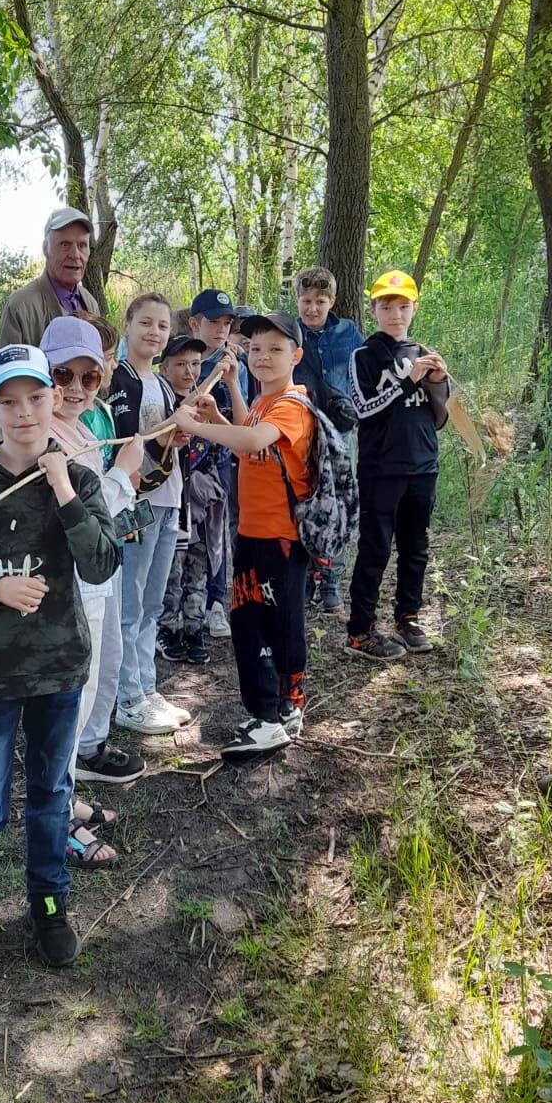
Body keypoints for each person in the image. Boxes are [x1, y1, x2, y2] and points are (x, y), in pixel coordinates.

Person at [0, 344, 119, 989]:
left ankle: (48, 906)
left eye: (36, 397)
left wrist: (63, 486)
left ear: (53, 399)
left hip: (59, 670)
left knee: (50, 796)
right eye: (8, 401)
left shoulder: (81, 479)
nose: (24, 412)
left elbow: (99, 564)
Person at [174, 312, 314, 759]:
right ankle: (285, 707)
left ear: (296, 355)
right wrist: (225, 400)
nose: (263, 357)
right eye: (255, 349)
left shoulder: (292, 405)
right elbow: (246, 434)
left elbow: (254, 442)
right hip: (253, 534)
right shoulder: (263, 403)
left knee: (261, 627)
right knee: (267, 622)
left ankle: (268, 717)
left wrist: (195, 426)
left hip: (279, 539)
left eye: (275, 349)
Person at [40, 315, 144, 865]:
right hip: (71, 587)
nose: (76, 389)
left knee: (80, 700)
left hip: (94, 583)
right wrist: (125, 472)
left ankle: (66, 797)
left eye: (90, 377)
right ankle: (55, 823)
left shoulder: (80, 429)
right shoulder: (43, 437)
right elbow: (84, 512)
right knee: (68, 703)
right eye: (62, 375)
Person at [345, 270, 449, 661]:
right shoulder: (363, 356)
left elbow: (438, 418)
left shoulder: (423, 352)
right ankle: (360, 630)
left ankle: (408, 617)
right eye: (387, 307)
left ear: (414, 309)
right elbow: (364, 410)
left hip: (423, 465)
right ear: (373, 310)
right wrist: (408, 381)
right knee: (374, 549)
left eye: (403, 306)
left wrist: (437, 381)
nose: (396, 314)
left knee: (415, 547)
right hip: (381, 468)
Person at [108, 294, 193, 737]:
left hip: (168, 498)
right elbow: (127, 444)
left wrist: (173, 436)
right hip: (136, 505)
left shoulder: (161, 382)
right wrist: (164, 433)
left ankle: (146, 684)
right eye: (145, 323)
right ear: (127, 325)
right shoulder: (120, 381)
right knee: (131, 599)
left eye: (162, 326)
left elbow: (160, 441)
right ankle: (127, 697)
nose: (154, 333)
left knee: (153, 600)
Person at [75, 316, 148, 788]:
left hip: (112, 544)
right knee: (88, 656)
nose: (88, 377)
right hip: (83, 564)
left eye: (100, 360)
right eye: (68, 371)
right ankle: (74, 753)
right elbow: (87, 501)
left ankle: (91, 743)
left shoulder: (100, 413)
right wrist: (123, 472)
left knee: (111, 651)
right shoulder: (63, 426)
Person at [293, 266, 365, 614]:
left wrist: (352, 404)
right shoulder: (290, 333)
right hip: (302, 432)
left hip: (341, 433)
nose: (313, 308)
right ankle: (306, 577)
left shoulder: (348, 332)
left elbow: (363, 373)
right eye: (306, 301)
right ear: (297, 300)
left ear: (332, 301)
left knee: (340, 504)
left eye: (320, 301)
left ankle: (332, 580)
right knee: (305, 502)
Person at [187, 288, 247, 640]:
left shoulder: (235, 362)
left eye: (227, 322)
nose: (221, 329)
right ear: (195, 323)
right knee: (188, 537)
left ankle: (217, 602)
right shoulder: (183, 359)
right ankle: (184, 605)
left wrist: (231, 377)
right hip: (188, 463)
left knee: (218, 534)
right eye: (214, 322)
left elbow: (244, 412)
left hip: (221, 460)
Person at [156, 334, 214, 667]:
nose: (188, 371)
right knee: (171, 569)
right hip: (173, 502)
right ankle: (168, 627)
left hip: (202, 501)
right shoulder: (164, 407)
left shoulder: (207, 404)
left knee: (199, 563)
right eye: (180, 364)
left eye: (195, 364)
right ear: (164, 368)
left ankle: (194, 627)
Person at [0, 206, 101, 346]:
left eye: (82, 245)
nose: (75, 255)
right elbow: (7, 367)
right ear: (46, 249)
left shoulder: (90, 302)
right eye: (65, 244)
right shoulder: (20, 306)